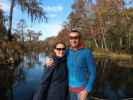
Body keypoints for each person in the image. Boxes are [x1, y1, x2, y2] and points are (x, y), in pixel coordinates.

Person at [46, 30, 96, 100]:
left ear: (79, 39)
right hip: (69, 90)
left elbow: (93, 73)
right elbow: (57, 55)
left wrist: (86, 90)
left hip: (82, 90)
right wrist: (49, 59)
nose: (73, 40)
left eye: (76, 37)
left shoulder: (87, 52)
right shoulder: (67, 51)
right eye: (71, 38)